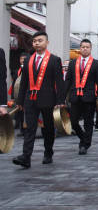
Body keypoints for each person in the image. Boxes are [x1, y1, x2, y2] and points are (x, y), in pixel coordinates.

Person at [13, 31, 65, 168]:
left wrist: (60, 101)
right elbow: (23, 81)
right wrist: (19, 101)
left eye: (40, 40)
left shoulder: (54, 60)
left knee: (47, 128)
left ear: (47, 42)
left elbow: (59, 82)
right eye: (34, 41)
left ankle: (48, 152)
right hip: (30, 99)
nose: (36, 43)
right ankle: (26, 157)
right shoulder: (29, 59)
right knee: (29, 128)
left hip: (48, 100)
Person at [64, 39, 98, 155]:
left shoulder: (96, 64)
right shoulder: (73, 63)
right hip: (75, 97)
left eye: (87, 47)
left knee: (88, 122)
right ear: (80, 48)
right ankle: (83, 137)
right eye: (82, 47)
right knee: (73, 121)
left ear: (90, 49)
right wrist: (62, 96)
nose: (85, 49)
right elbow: (68, 81)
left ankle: (85, 145)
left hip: (89, 97)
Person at [10, 53, 27, 133]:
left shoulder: (30, 68)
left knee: (25, 113)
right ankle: (21, 129)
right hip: (18, 94)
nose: (23, 60)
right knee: (19, 113)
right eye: (21, 59)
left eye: (24, 58)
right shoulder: (17, 71)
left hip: (26, 94)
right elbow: (14, 84)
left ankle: (26, 129)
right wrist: (13, 97)